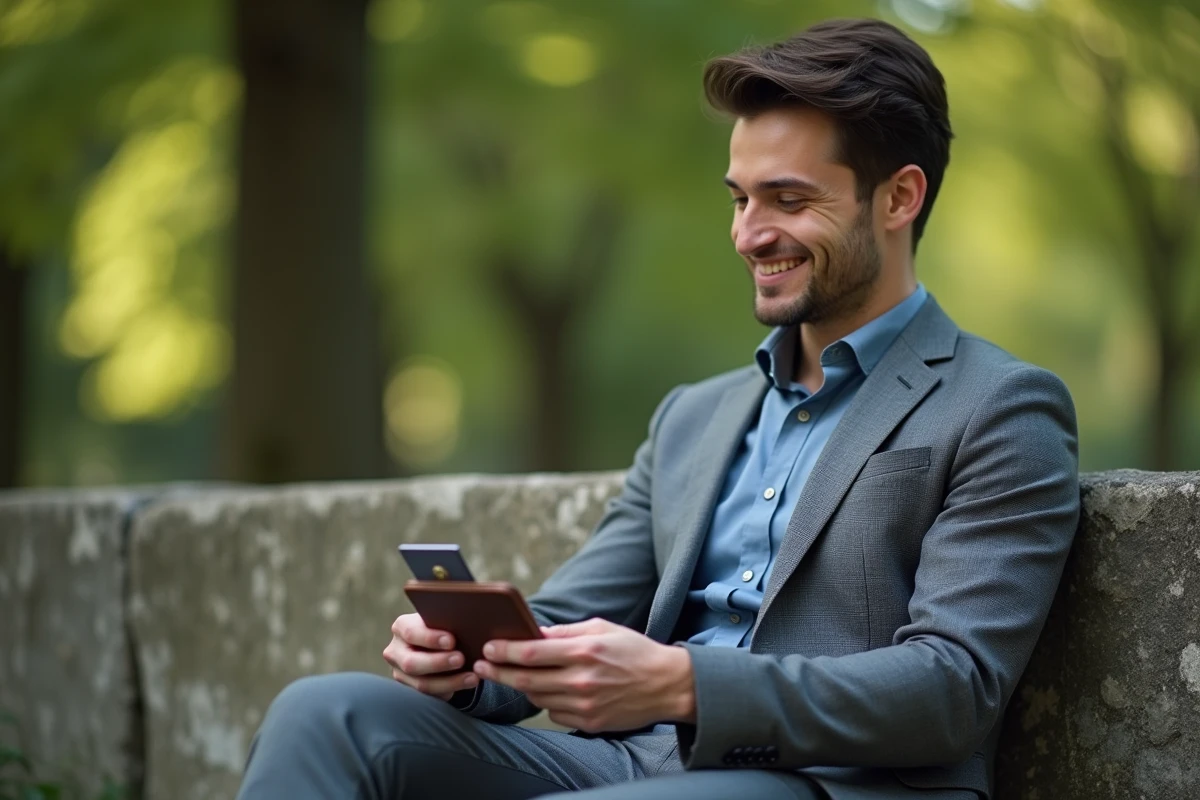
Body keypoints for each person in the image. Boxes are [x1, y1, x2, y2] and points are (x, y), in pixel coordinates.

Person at [236, 17, 1079, 800]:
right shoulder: (694, 418)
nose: (751, 233)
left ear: (898, 199)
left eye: (789, 200)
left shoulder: (1000, 405)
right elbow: (568, 619)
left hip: (832, 783)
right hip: (630, 763)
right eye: (740, 199)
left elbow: (954, 686)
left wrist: (682, 683)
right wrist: (473, 666)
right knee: (325, 713)